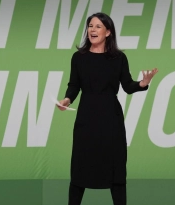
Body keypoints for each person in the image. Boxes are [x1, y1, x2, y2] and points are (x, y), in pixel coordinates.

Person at [57, 12, 158, 205]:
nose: (92, 30)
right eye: (90, 26)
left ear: (108, 32)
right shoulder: (78, 58)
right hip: (86, 120)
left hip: (111, 120)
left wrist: (143, 83)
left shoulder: (119, 58)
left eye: (98, 26)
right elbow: (74, 85)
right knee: (80, 170)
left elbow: (127, 86)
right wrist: (67, 100)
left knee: (116, 170)